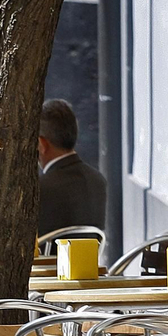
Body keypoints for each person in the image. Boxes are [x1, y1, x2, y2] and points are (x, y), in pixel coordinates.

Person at [36, 98, 108, 236]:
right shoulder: (98, 180)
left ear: (41, 144)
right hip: (90, 257)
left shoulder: (40, 188)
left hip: (51, 257)